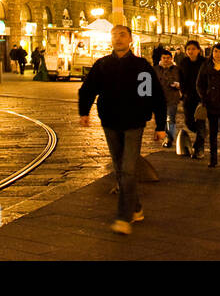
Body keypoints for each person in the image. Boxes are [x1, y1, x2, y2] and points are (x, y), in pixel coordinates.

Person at [77, 25, 168, 234]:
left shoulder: (140, 66)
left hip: (134, 123)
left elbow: (152, 95)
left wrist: (160, 125)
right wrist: (84, 111)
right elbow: (88, 89)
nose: (118, 38)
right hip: (110, 122)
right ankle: (135, 208)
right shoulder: (102, 65)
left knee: (127, 169)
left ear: (130, 39)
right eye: (114, 35)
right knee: (119, 168)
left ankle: (123, 217)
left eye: (122, 35)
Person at [176, 40, 207, 159]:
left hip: (201, 97)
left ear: (199, 50)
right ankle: (203, 133)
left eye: (193, 49)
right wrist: (182, 91)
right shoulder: (184, 62)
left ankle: (199, 149)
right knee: (189, 122)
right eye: (188, 49)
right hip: (188, 96)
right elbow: (180, 77)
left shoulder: (204, 62)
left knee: (200, 122)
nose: (191, 51)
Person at [154, 49, 181, 145]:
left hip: (172, 97)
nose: (166, 60)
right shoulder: (155, 69)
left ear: (171, 59)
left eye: (168, 58)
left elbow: (182, 82)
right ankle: (165, 135)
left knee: (170, 118)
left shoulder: (177, 69)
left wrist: (178, 85)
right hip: (159, 99)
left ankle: (170, 138)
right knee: (161, 119)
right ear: (161, 59)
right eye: (164, 58)